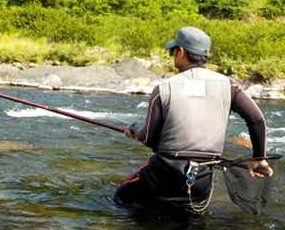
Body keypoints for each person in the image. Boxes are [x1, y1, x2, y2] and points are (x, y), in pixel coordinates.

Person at [116, 26, 272, 213]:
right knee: (187, 216)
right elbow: (257, 119)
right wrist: (260, 159)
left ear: (180, 52)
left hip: (163, 175)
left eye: (173, 51)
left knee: (121, 198)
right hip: (201, 179)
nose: (172, 55)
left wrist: (134, 129)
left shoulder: (164, 88)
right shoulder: (229, 85)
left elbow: (149, 138)